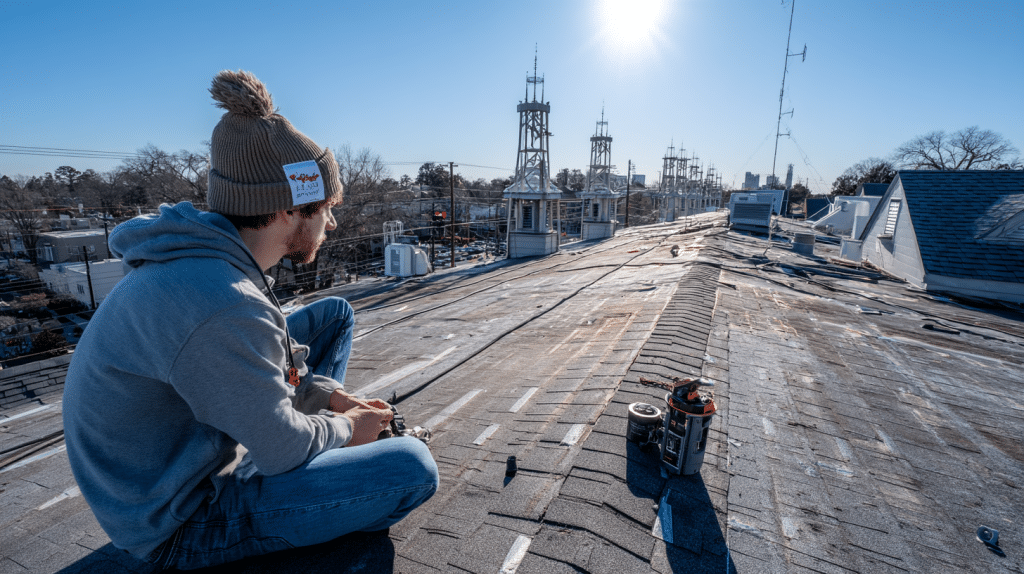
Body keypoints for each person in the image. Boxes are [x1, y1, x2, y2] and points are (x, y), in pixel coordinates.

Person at [63, 70, 438, 570]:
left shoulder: (212, 263)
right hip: (175, 521)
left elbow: (267, 349)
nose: (331, 223)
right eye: (325, 208)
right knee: (411, 468)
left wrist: (330, 397)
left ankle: (308, 444)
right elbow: (281, 445)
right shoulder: (222, 302)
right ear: (287, 209)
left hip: (160, 465)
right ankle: (311, 482)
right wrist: (347, 428)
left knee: (332, 316)